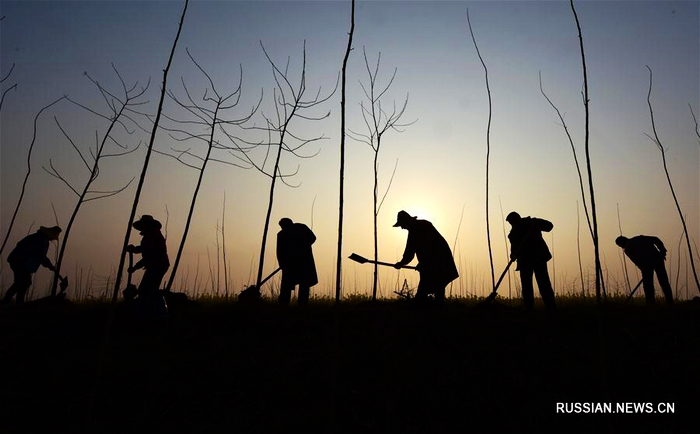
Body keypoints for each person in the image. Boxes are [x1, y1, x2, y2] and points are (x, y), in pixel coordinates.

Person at [393, 210, 458, 305]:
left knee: (432, 285)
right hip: (437, 260)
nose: (402, 227)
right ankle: (436, 308)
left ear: (406, 221)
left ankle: (428, 309)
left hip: (439, 260)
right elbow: (411, 252)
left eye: (402, 224)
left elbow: (418, 250)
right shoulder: (421, 226)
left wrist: (402, 263)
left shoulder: (418, 229)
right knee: (438, 284)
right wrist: (404, 263)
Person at [506, 211, 557, 310]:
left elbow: (549, 226)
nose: (512, 225)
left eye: (512, 222)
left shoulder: (532, 223)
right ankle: (529, 309)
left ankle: (551, 308)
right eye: (510, 223)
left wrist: (538, 223)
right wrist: (513, 256)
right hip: (525, 262)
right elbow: (514, 249)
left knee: (543, 284)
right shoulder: (513, 234)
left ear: (517, 219)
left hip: (538, 259)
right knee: (527, 287)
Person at [2, 226, 62, 305]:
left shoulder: (38, 237)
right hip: (19, 262)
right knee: (23, 282)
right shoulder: (41, 240)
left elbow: (40, 256)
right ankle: (10, 303)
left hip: (18, 261)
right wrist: (50, 266)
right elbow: (41, 256)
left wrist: (49, 265)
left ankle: (14, 303)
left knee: (22, 282)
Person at [126, 215, 170, 317]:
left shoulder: (152, 234)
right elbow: (145, 250)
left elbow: (149, 253)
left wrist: (135, 266)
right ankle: (155, 312)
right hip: (157, 265)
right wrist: (134, 250)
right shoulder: (151, 235)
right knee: (148, 289)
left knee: (146, 290)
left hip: (157, 265)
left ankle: (157, 313)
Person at [615, 235, 673, 305]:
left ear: (622, 243)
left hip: (652, 262)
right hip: (656, 260)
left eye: (620, 246)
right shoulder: (640, 238)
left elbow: (637, 262)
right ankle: (670, 303)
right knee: (663, 282)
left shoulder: (628, 249)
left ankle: (651, 304)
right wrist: (662, 251)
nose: (622, 247)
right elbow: (656, 239)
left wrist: (644, 269)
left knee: (649, 285)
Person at [276, 217, 318, 306]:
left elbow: (313, 238)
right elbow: (280, 251)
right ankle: (291, 304)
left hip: (300, 262)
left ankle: (291, 304)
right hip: (294, 263)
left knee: (299, 284)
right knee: (296, 284)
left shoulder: (297, 229)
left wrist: (304, 246)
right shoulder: (284, 233)